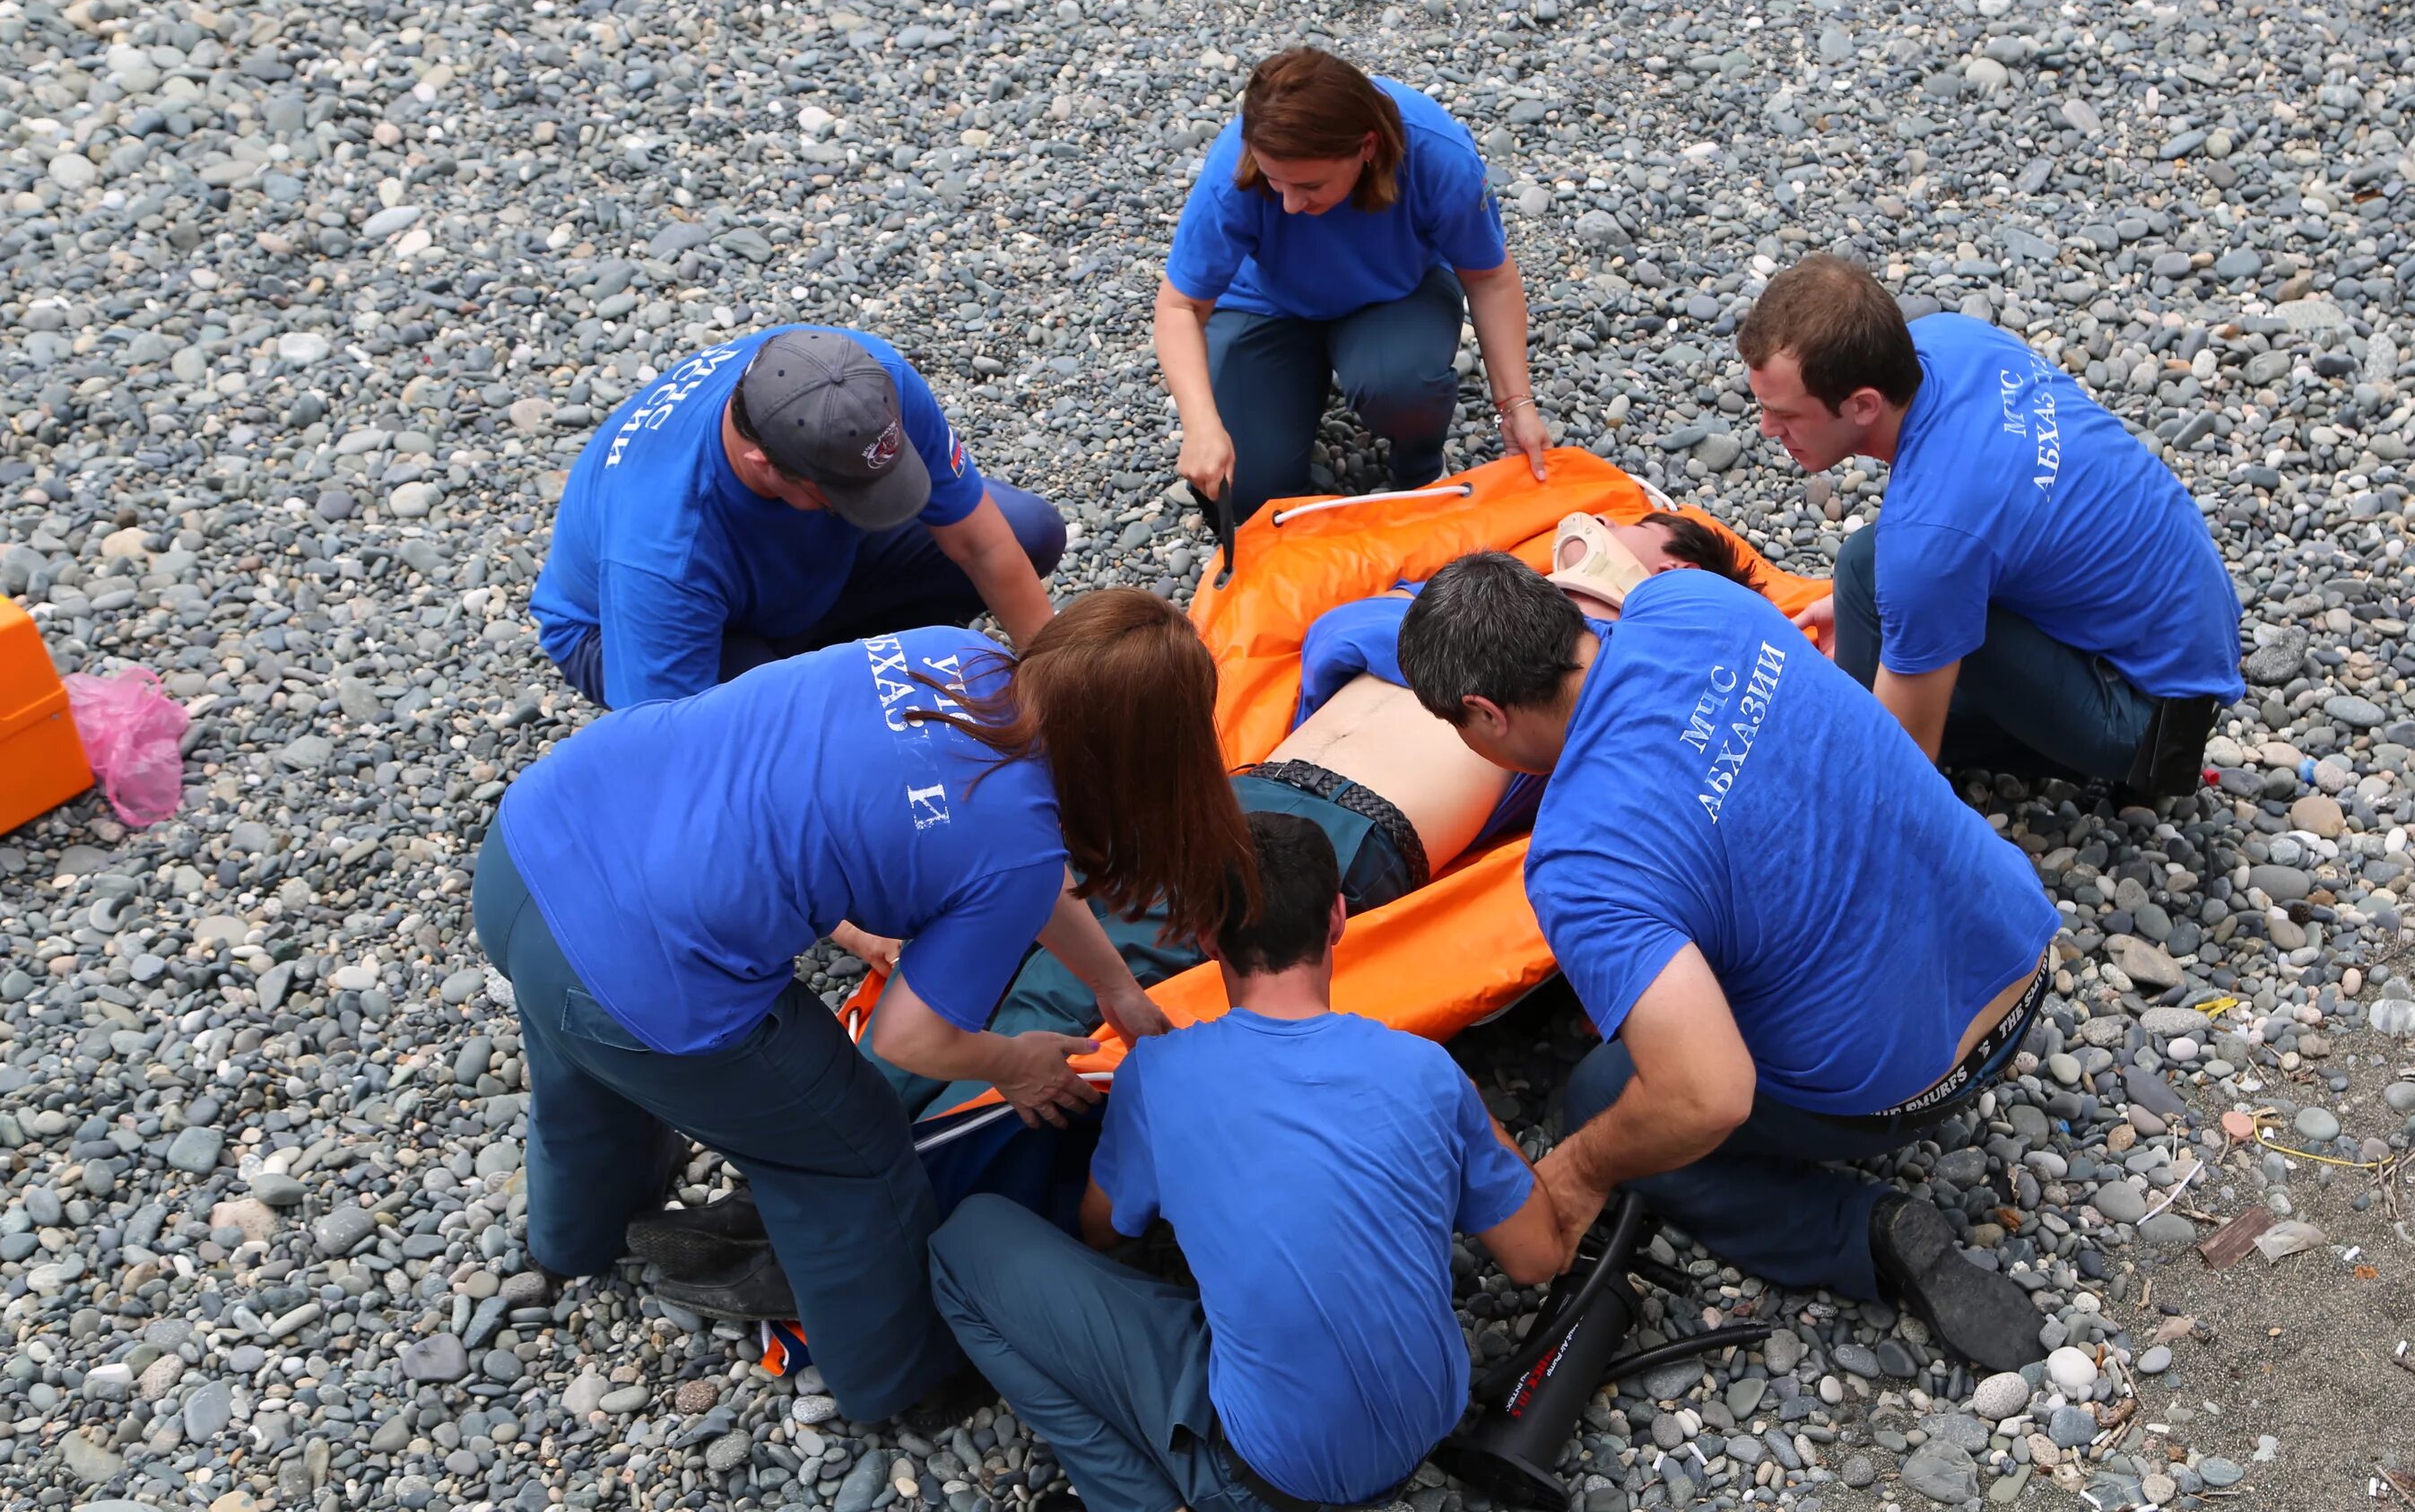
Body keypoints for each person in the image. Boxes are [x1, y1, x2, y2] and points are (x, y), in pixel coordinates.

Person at [466, 589, 1251, 1421]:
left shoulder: (961, 653)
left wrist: (1115, 988)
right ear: (1137, 752)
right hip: (636, 972)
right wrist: (1012, 1063)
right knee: (854, 1153)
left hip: (537, 843)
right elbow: (910, 1036)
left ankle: (574, 1240)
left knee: (578, 1063)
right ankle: (902, 1384)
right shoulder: (1014, 842)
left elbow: (1022, 860)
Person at [857, 512, 1763, 1125]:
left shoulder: (1622, 664)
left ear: (1670, 568)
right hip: (1261, 786)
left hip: (1346, 827)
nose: (1590, 533)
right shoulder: (1483, 607)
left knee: (1089, 966)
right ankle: (857, 1119)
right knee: (1022, 922)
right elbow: (1337, 637)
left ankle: (901, 1147)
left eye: (1621, 533)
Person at [1396, 552, 2060, 1372]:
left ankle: (1862, 1231)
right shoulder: (1688, 599)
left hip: (1907, 1086)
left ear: (1484, 713)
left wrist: (1579, 1169)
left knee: (1609, 1094)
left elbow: (1707, 1097)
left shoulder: (1579, 859)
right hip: (2021, 955)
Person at [927, 811, 1567, 1512]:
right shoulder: (1426, 1071)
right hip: (1428, 1422)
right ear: (1338, 918)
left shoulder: (1161, 1076)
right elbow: (1537, 1256)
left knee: (963, 1244)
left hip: (1270, 1480)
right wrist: (1466, 1112)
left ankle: (1137, 1498)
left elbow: (1103, 1231)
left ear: (1203, 934)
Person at [1737, 255, 2243, 794]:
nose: (1768, 429)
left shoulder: (1930, 541)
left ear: (1863, 405)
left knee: (1874, 588)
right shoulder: (1949, 340)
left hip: (2153, 728)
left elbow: (1902, 776)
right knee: (1878, 574)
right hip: (2192, 635)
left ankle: (1859, 736)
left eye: (1786, 414)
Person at [530, 323, 1068, 710]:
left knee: (1030, 533)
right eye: (846, 494)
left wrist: (1061, 689)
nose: (879, 503)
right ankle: (807, 678)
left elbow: (984, 546)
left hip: (788, 573)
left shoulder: (867, 381)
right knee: (811, 736)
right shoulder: (664, 552)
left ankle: (818, 663)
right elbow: (663, 758)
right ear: (763, 465)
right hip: (630, 630)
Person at [1155, 47, 1552, 535]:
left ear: (1366, 148)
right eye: (1274, 183)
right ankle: (1292, 386)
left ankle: (1421, 465)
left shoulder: (1436, 153)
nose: (1290, 204)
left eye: (1309, 186)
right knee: (1252, 495)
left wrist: (1516, 406)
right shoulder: (1234, 167)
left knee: (1401, 386)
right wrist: (1201, 427)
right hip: (1266, 305)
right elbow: (1179, 306)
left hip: (1395, 294)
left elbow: (1488, 276)